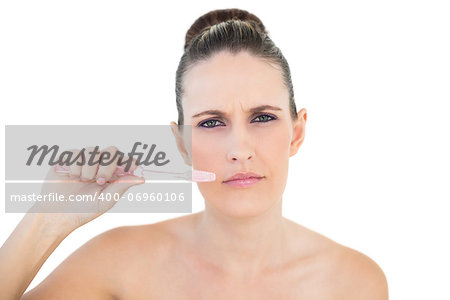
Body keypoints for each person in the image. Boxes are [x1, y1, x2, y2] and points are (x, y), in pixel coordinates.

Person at [0, 8, 389, 299]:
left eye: (263, 117)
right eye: (211, 123)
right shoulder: (118, 261)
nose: (239, 150)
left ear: (297, 132)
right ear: (181, 144)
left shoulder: (354, 282)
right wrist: (45, 221)